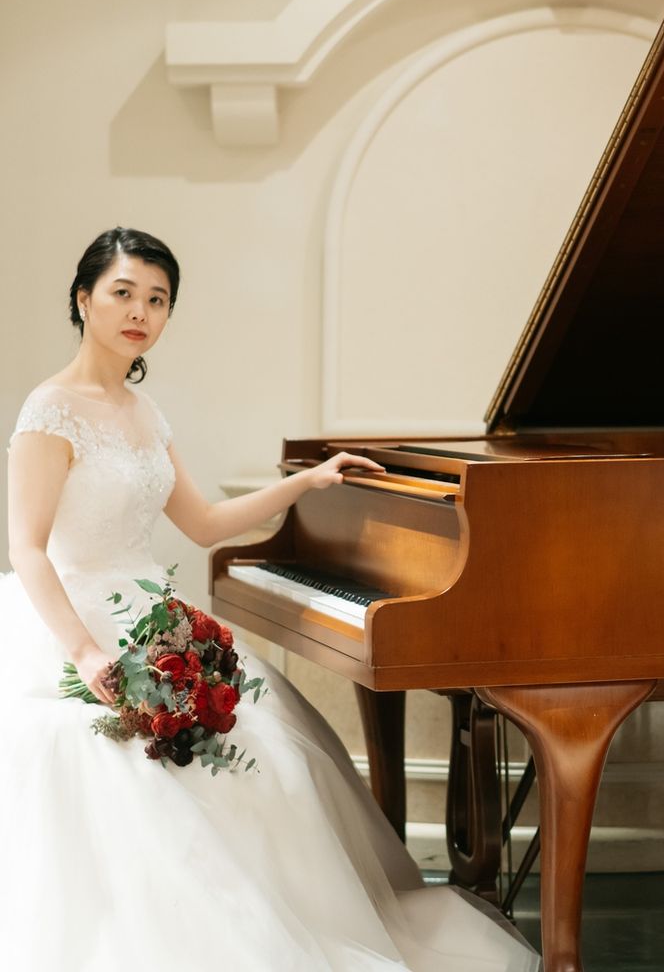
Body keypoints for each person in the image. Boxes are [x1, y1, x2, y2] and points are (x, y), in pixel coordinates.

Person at [1, 227, 540, 972]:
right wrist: (87, 653)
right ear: (84, 299)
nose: (141, 312)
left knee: (269, 760)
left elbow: (203, 522)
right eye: (123, 293)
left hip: (154, 619)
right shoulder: (49, 410)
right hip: (70, 622)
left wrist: (307, 483)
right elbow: (27, 549)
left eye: (158, 299)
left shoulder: (144, 413)